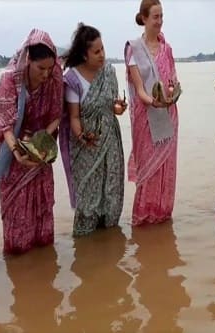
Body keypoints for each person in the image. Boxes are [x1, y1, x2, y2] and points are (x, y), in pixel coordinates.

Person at [0, 29, 63, 255]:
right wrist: (17, 150)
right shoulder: (11, 79)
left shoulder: (53, 81)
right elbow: (4, 123)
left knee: (43, 214)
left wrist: (41, 141)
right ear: (28, 61)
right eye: (40, 68)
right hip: (15, 156)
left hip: (41, 153)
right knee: (17, 218)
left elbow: (56, 115)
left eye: (49, 68)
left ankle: (39, 268)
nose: (45, 74)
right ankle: (16, 255)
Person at [60, 23, 125, 236]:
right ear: (84, 55)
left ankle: (108, 244)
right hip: (86, 146)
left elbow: (112, 107)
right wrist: (82, 136)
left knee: (111, 190)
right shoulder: (72, 79)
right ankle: (85, 236)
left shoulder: (109, 72)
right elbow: (74, 117)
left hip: (110, 143)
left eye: (103, 49)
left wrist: (119, 108)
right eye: (96, 51)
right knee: (88, 197)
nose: (102, 55)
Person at [123, 0, 180, 225]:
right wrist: (154, 102)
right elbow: (139, 89)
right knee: (148, 171)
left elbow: (173, 79)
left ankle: (163, 217)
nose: (159, 21)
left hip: (169, 114)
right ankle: (144, 218)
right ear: (144, 18)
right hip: (146, 116)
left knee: (167, 168)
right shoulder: (133, 48)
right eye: (155, 17)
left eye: (161, 16)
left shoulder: (167, 48)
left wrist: (174, 91)